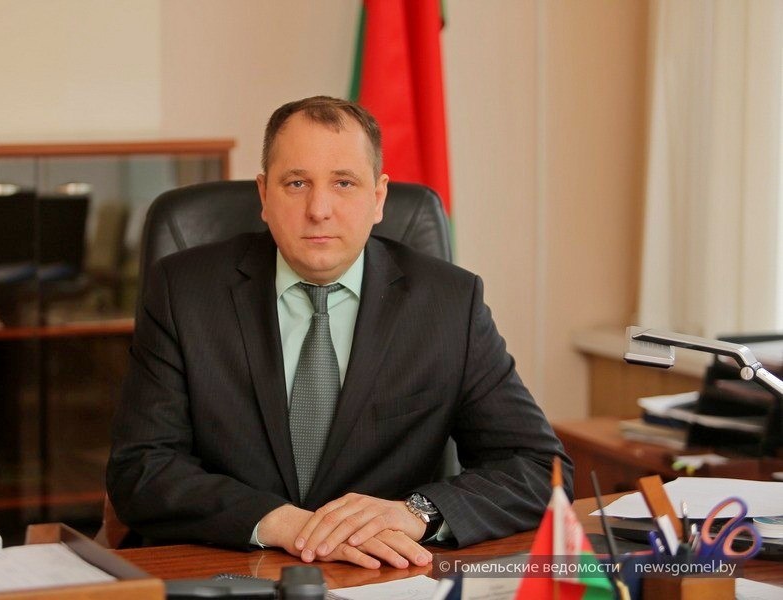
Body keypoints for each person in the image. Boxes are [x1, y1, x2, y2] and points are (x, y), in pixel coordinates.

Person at [107, 96, 572, 570]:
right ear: (264, 195)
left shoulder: (449, 303)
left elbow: (537, 467)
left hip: (381, 576)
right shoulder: (184, 291)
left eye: (344, 183)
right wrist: (279, 522)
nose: (319, 209)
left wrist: (417, 513)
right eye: (297, 183)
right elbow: (141, 469)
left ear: (378, 197)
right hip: (226, 568)